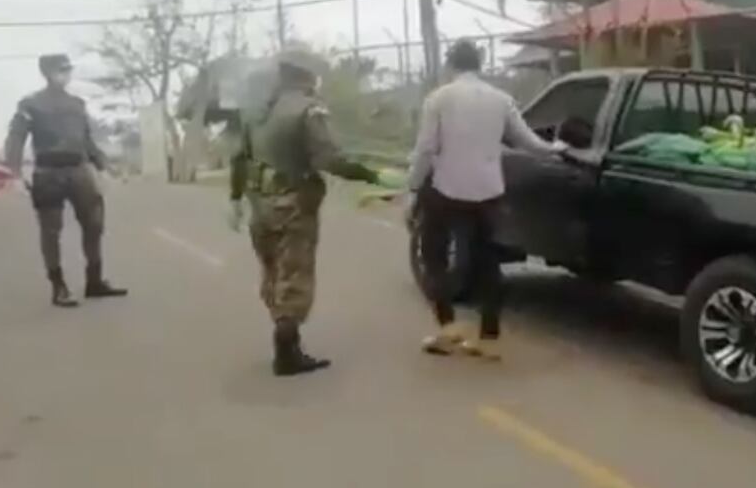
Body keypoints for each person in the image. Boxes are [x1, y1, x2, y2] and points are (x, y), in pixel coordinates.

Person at [228, 49, 391, 377]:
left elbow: (238, 159)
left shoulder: (257, 111)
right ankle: (286, 352)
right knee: (295, 275)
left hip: (260, 205)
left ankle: (288, 342)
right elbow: (330, 160)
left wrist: (235, 199)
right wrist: (371, 176)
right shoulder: (309, 110)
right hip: (293, 205)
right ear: (306, 75)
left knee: (273, 274)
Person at [408, 39, 565, 360]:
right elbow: (528, 142)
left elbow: (426, 149)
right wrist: (557, 149)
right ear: (479, 65)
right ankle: (489, 335)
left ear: (451, 65)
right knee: (487, 263)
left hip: (445, 190)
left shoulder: (438, 98)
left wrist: (412, 186)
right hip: (488, 192)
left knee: (434, 256)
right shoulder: (501, 99)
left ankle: (447, 327)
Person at [4, 54, 127, 308]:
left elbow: (87, 141)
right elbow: (15, 139)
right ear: (47, 73)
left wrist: (105, 166)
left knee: (94, 225)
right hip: (48, 173)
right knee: (51, 231)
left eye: (68, 70)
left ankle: (94, 281)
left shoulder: (77, 104)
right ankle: (58, 286)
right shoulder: (30, 104)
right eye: (61, 70)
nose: (66, 74)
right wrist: (15, 173)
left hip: (79, 170)